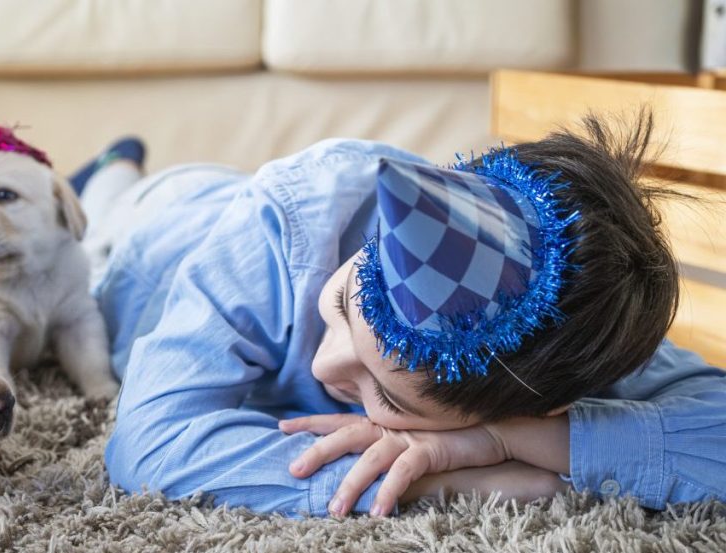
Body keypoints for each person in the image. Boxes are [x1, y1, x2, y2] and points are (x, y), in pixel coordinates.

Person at [76, 114, 726, 518]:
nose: (328, 361)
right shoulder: (289, 216)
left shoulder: (566, 336)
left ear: (525, 405)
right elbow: (146, 443)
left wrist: (505, 441)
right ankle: (113, 165)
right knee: (103, 209)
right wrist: (447, 483)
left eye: (383, 393)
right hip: (157, 231)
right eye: (339, 305)